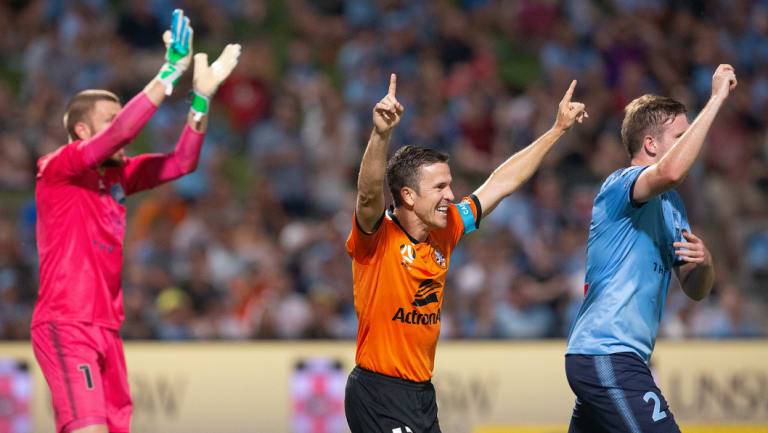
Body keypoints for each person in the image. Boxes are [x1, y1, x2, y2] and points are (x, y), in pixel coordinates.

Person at [30, 10, 240, 433]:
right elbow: (122, 133)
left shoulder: (118, 174)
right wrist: (168, 72)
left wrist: (200, 99)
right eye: (110, 118)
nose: (123, 124)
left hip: (107, 326)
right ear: (82, 132)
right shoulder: (59, 167)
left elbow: (182, 162)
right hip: (67, 322)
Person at [344, 74, 587, 433]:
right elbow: (367, 196)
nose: (451, 194)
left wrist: (557, 130)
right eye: (439, 186)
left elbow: (501, 183)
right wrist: (381, 134)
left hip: (420, 394)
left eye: (451, 184)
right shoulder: (377, 238)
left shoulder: (447, 228)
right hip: (378, 392)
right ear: (409, 196)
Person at [565, 64, 737, 432]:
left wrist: (705, 262)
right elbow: (672, 171)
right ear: (650, 144)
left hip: (618, 359)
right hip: (608, 354)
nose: (690, 143)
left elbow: (696, 290)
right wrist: (716, 98)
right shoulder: (620, 184)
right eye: (680, 136)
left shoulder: (673, 205)